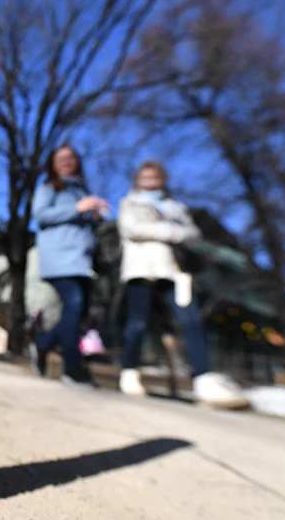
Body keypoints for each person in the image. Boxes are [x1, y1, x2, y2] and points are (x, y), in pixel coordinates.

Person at [117, 160, 247, 408]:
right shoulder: (129, 204)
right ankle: (129, 371)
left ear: (162, 180)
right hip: (141, 269)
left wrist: (178, 232)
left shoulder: (175, 207)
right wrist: (169, 230)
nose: (151, 183)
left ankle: (203, 378)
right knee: (138, 321)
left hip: (174, 271)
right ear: (138, 181)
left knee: (191, 321)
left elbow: (193, 234)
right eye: (145, 179)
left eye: (155, 178)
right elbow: (132, 229)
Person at [30, 145, 108, 384]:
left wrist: (95, 218)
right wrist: (77, 208)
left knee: (78, 311)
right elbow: (40, 215)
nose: (66, 161)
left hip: (81, 260)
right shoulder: (49, 188)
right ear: (52, 164)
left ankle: (43, 344)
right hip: (59, 259)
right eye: (60, 158)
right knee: (73, 305)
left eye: (71, 157)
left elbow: (82, 227)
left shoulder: (81, 190)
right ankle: (72, 369)